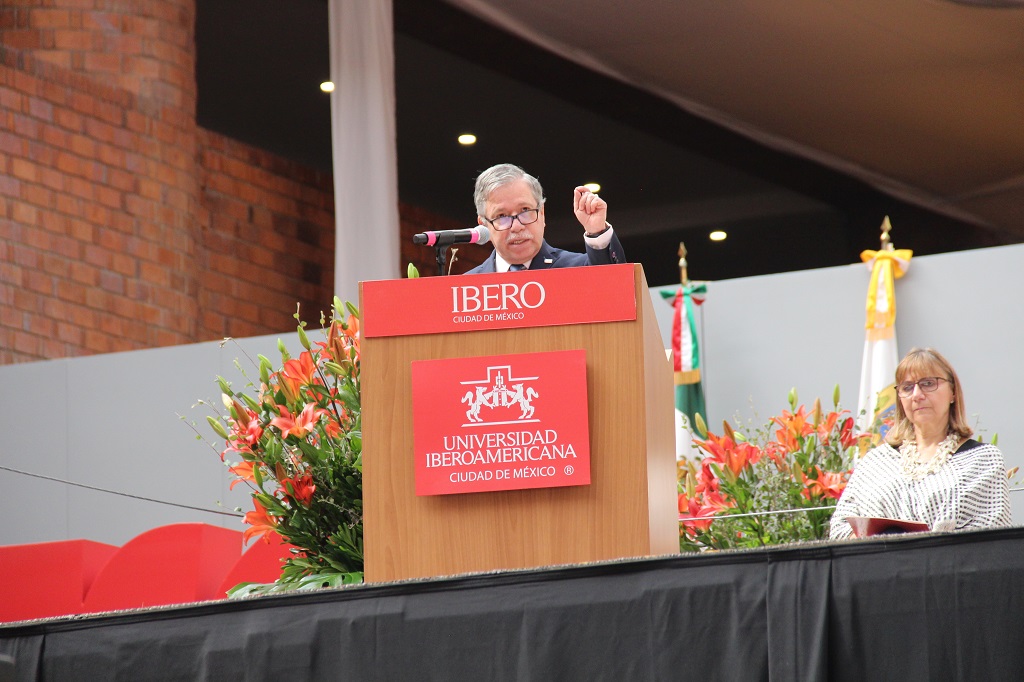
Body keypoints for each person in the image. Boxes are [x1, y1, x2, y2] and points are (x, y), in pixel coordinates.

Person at [830, 347, 1012, 540]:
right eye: (907, 387)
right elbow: (839, 528)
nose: (917, 395)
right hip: (880, 566)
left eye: (928, 383)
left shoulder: (984, 460)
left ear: (952, 392)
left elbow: (994, 539)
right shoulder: (875, 462)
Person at [465, 163, 626, 274]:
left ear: (542, 213)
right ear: (484, 224)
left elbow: (617, 288)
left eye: (525, 210)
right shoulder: (466, 289)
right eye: (501, 216)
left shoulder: (578, 269)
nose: (517, 226)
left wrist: (597, 231)